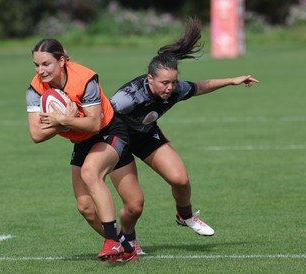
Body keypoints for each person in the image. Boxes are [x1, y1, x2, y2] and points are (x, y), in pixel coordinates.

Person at [107, 17, 259, 247]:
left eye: (173, 82)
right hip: (118, 142)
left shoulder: (175, 89)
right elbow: (100, 120)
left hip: (146, 135)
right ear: (150, 79)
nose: (170, 88)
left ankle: (185, 216)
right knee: (134, 206)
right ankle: (128, 239)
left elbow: (199, 86)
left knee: (180, 180)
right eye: (164, 83)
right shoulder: (125, 99)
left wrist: (231, 81)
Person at [26, 38, 137, 262]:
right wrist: (63, 122)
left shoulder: (85, 79)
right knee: (85, 207)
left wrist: (63, 120)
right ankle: (126, 247)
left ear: (62, 60)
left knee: (90, 172)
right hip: (81, 140)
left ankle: (111, 242)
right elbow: (37, 134)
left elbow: (94, 124)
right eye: (37, 65)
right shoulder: (35, 89)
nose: (41, 70)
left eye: (46, 64)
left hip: (108, 131)